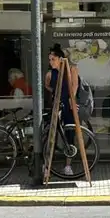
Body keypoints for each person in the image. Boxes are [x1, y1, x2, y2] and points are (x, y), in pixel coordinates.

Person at [44, 43, 80, 176]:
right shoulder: (50, 73)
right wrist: (55, 92)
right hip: (56, 104)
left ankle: (68, 165)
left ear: (60, 59)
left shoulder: (71, 69)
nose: (51, 62)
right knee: (51, 135)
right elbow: (47, 86)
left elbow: (75, 85)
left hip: (68, 104)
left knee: (70, 134)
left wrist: (71, 99)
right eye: (49, 59)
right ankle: (47, 166)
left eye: (53, 59)